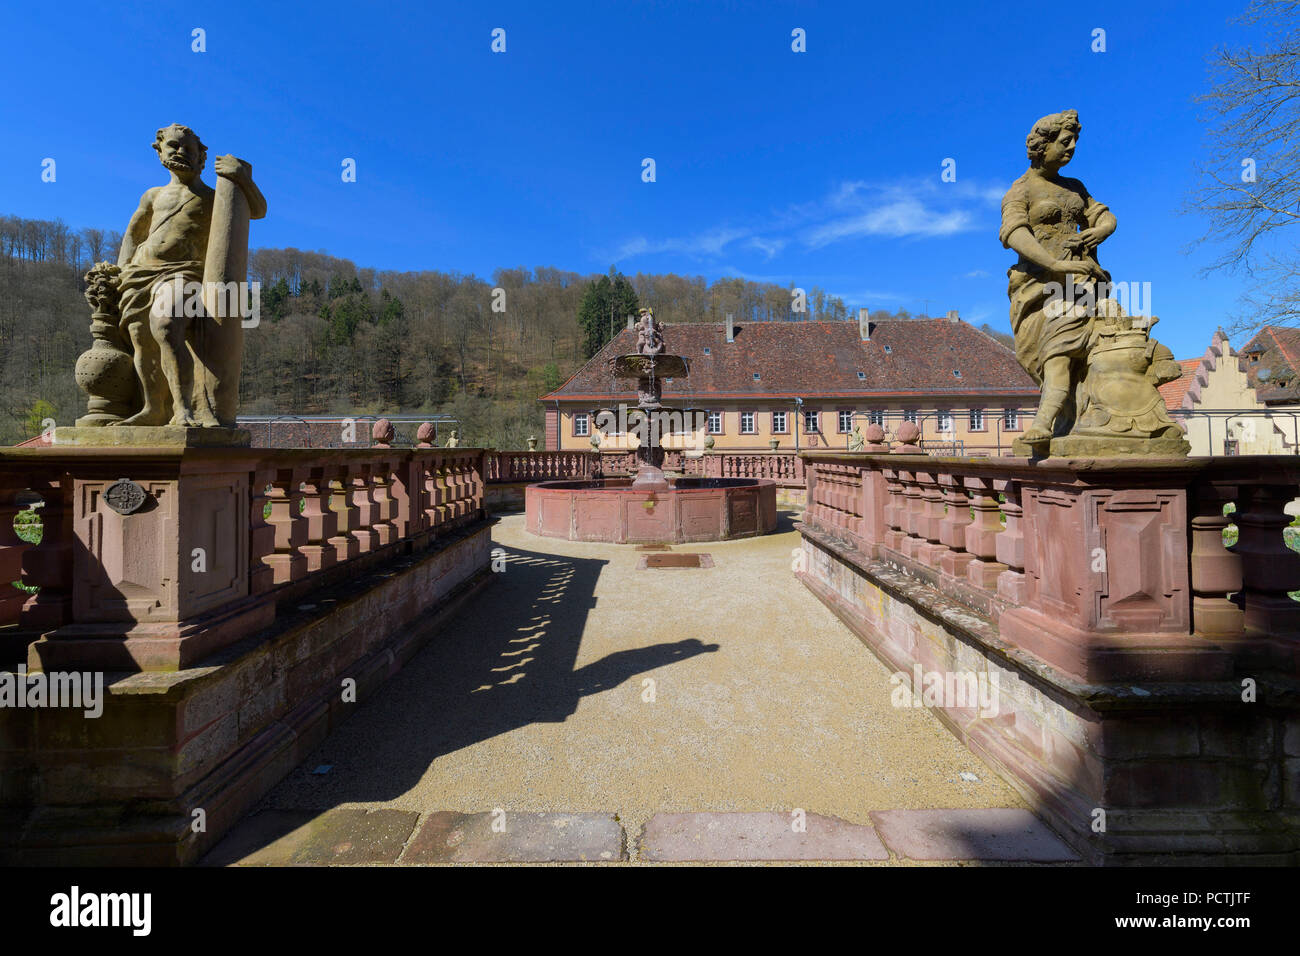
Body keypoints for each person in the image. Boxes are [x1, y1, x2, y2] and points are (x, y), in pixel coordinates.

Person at [999, 109, 1114, 443]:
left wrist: (1099, 233)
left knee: (1065, 346)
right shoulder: (1020, 190)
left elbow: (1105, 216)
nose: (1072, 147)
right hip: (1039, 286)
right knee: (1051, 349)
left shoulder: (1075, 187)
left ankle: (1049, 420)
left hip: (1083, 282)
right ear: (1042, 145)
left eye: (1075, 140)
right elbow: (1014, 234)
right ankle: (1062, 416)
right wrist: (1055, 264)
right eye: (1065, 141)